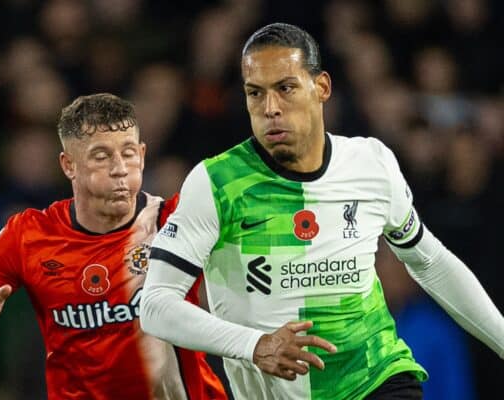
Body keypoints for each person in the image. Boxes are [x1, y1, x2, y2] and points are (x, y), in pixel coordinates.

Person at [140, 23, 504, 400]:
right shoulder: (216, 183)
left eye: (285, 88)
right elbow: (155, 304)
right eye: (255, 93)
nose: (270, 109)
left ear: (322, 88)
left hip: (375, 378)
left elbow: (428, 261)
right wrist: (255, 344)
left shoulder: (370, 163)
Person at [0, 93, 228, 400]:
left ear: (143, 155)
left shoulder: (178, 221)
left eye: (129, 152)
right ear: (69, 165)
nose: (120, 168)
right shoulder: (29, 235)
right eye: (102, 156)